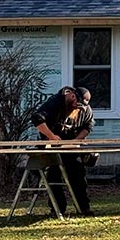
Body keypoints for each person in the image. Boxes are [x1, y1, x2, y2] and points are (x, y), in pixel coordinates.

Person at [31, 86, 95, 217]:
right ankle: (57, 209)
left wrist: (76, 141)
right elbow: (37, 119)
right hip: (51, 147)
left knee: (78, 175)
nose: (78, 109)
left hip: (70, 149)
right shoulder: (55, 102)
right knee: (54, 176)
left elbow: (88, 125)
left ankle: (83, 208)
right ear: (72, 96)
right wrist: (52, 137)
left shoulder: (84, 109)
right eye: (77, 105)